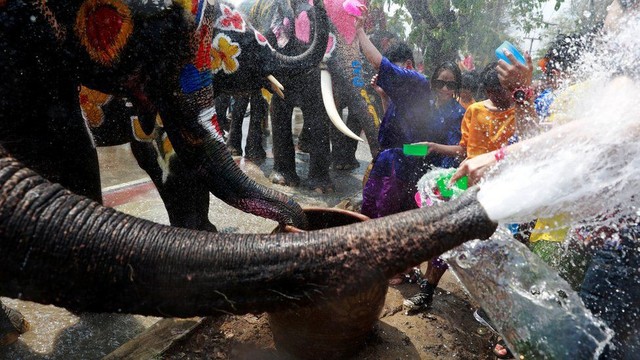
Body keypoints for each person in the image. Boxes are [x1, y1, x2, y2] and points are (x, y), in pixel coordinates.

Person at [451, 1, 640, 357]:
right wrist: (522, 94)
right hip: (590, 234)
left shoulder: (625, 70)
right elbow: (543, 141)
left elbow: (611, 129)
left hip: (610, 244)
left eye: (614, 5)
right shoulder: (604, 80)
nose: (607, 13)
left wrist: (501, 155)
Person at [402, 62, 517, 312]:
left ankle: (490, 308)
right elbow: (463, 149)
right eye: (494, 93)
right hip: (466, 185)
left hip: (501, 191)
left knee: (493, 250)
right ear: (487, 90)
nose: (500, 98)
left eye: (504, 92)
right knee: (444, 237)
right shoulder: (475, 110)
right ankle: (427, 291)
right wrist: (434, 146)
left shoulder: (519, 113)